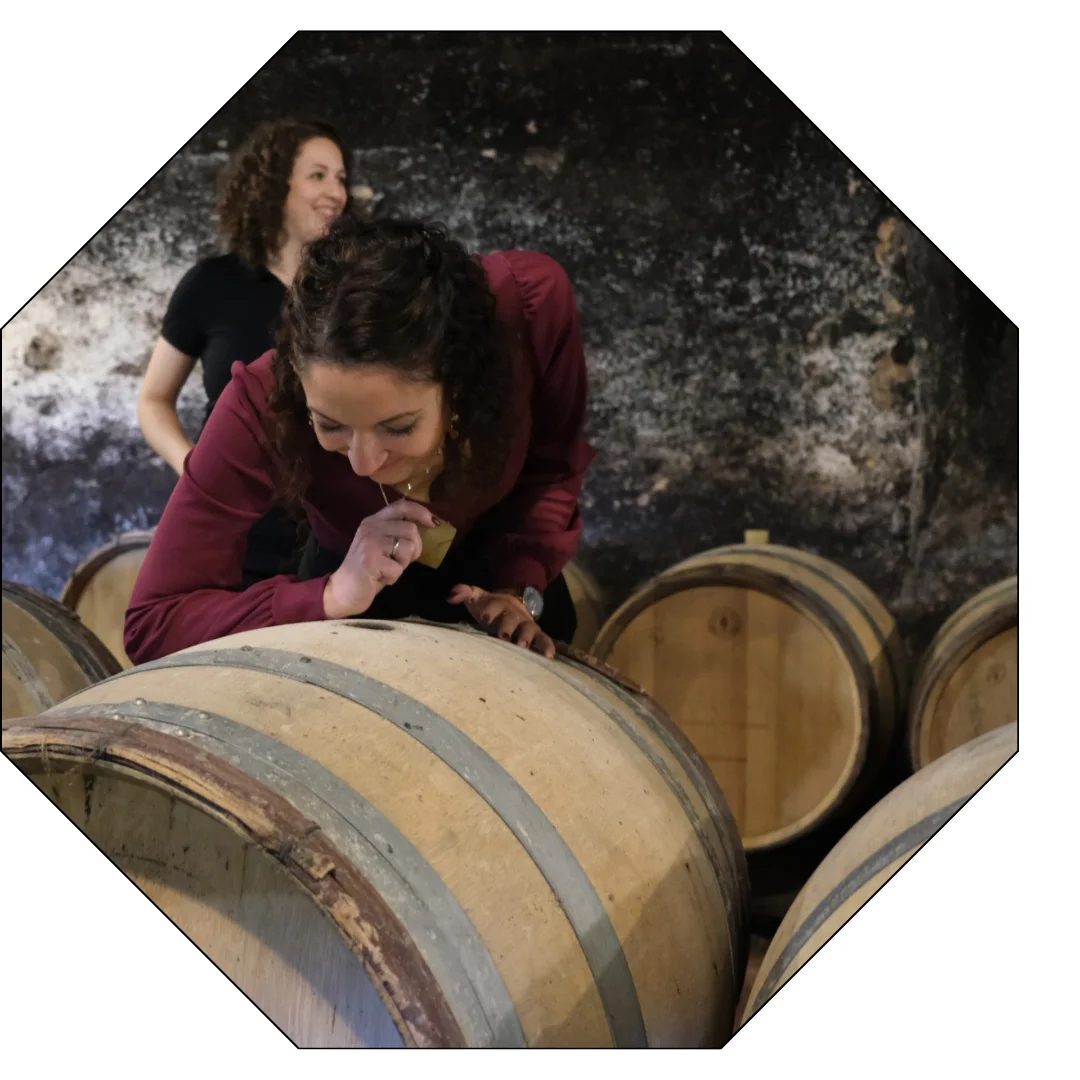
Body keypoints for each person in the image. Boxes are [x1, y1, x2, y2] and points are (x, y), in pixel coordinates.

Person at [124, 217, 595, 663]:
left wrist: (518, 587)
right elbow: (154, 623)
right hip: (350, 595)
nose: (362, 464)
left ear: (459, 385)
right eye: (329, 425)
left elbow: (553, 469)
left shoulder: (529, 311)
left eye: (398, 427)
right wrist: (329, 594)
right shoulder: (262, 401)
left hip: (507, 587)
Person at [136, 118, 349, 586]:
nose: (336, 191)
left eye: (341, 178)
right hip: (239, 527)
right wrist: (194, 467)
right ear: (273, 185)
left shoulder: (351, 287)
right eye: (318, 175)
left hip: (336, 527)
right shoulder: (212, 284)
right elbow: (153, 399)